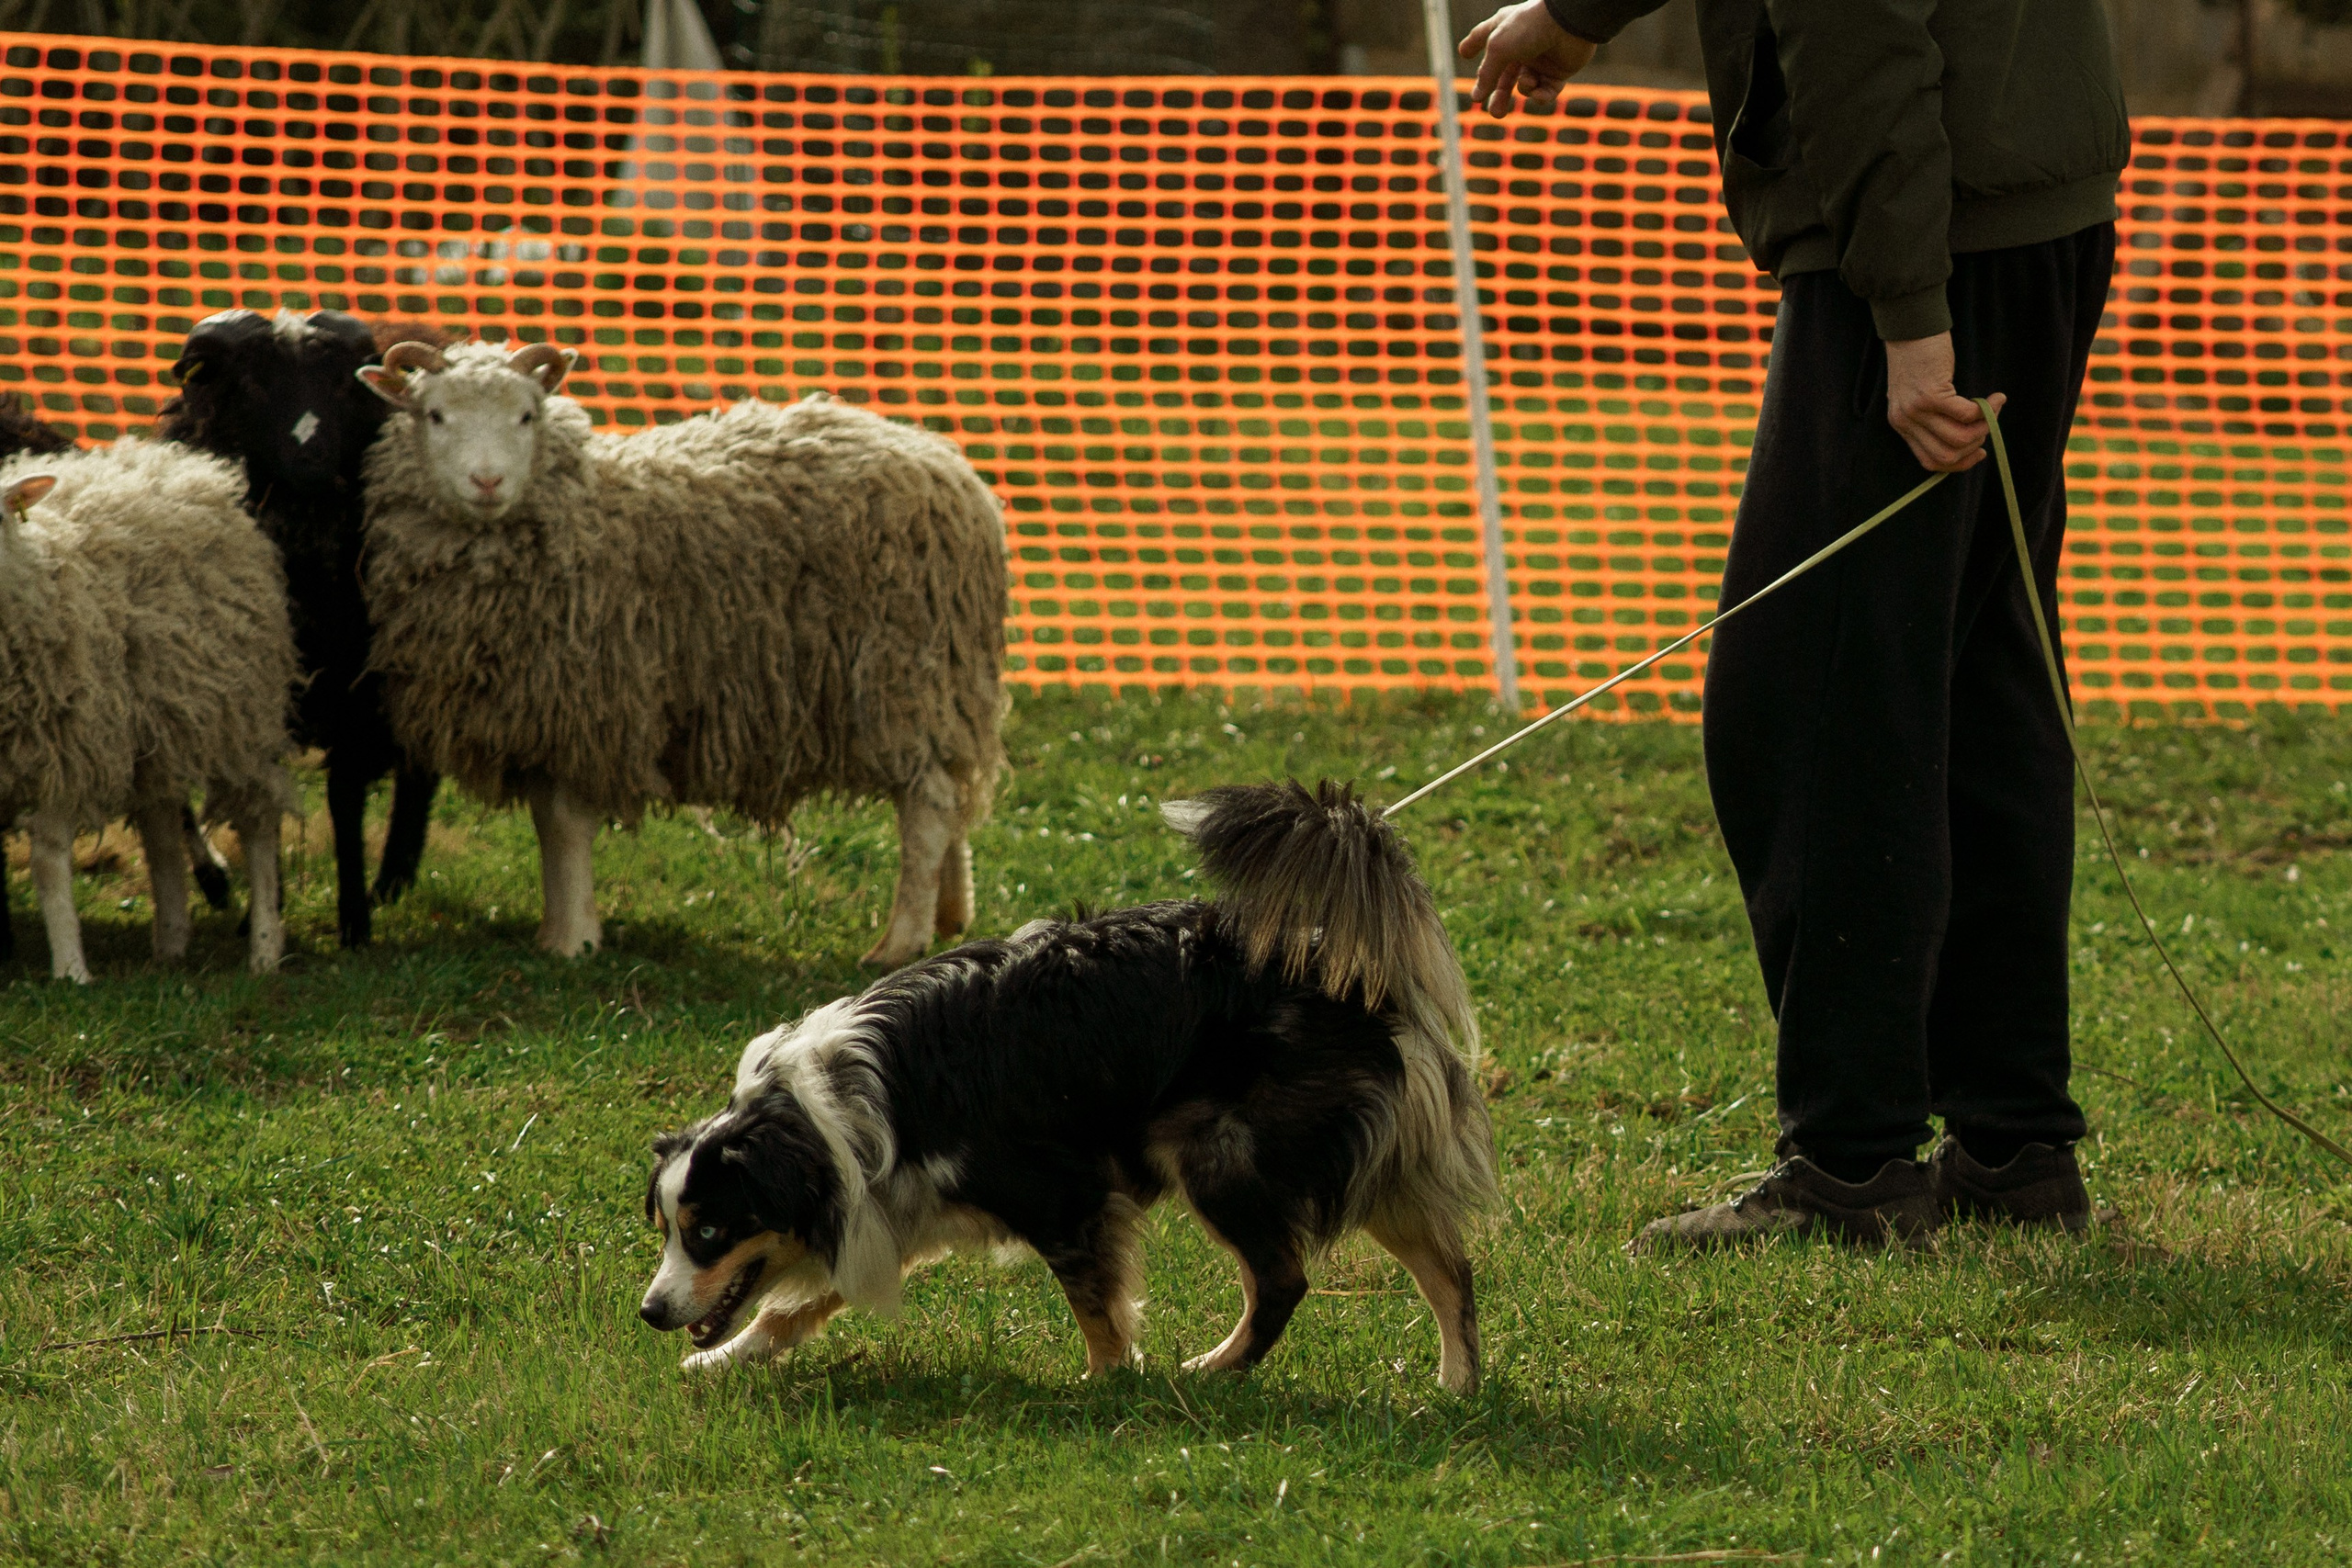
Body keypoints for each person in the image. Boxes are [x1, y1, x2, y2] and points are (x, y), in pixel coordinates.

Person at [1457, 0, 2129, 1247]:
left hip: (1937, 222)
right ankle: (2015, 1143)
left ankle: (1854, 1167)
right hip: (2035, 199)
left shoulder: (1915, 265)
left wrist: (1910, 319)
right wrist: (1581, 12)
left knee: (1812, 702)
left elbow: (1859, 24)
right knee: (1982, 680)